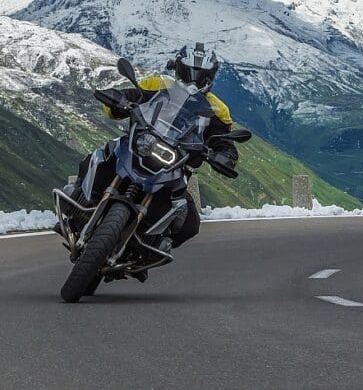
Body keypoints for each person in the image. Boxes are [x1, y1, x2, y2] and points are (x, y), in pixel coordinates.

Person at [58, 43, 238, 279]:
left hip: (177, 165)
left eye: (201, 76)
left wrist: (224, 156)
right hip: (139, 145)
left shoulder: (218, 109)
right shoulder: (158, 84)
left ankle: (144, 252)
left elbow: (224, 140)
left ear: (211, 77)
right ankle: (78, 200)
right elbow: (133, 96)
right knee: (101, 155)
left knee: (189, 224)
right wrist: (118, 100)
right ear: (178, 69)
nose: (194, 80)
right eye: (189, 72)